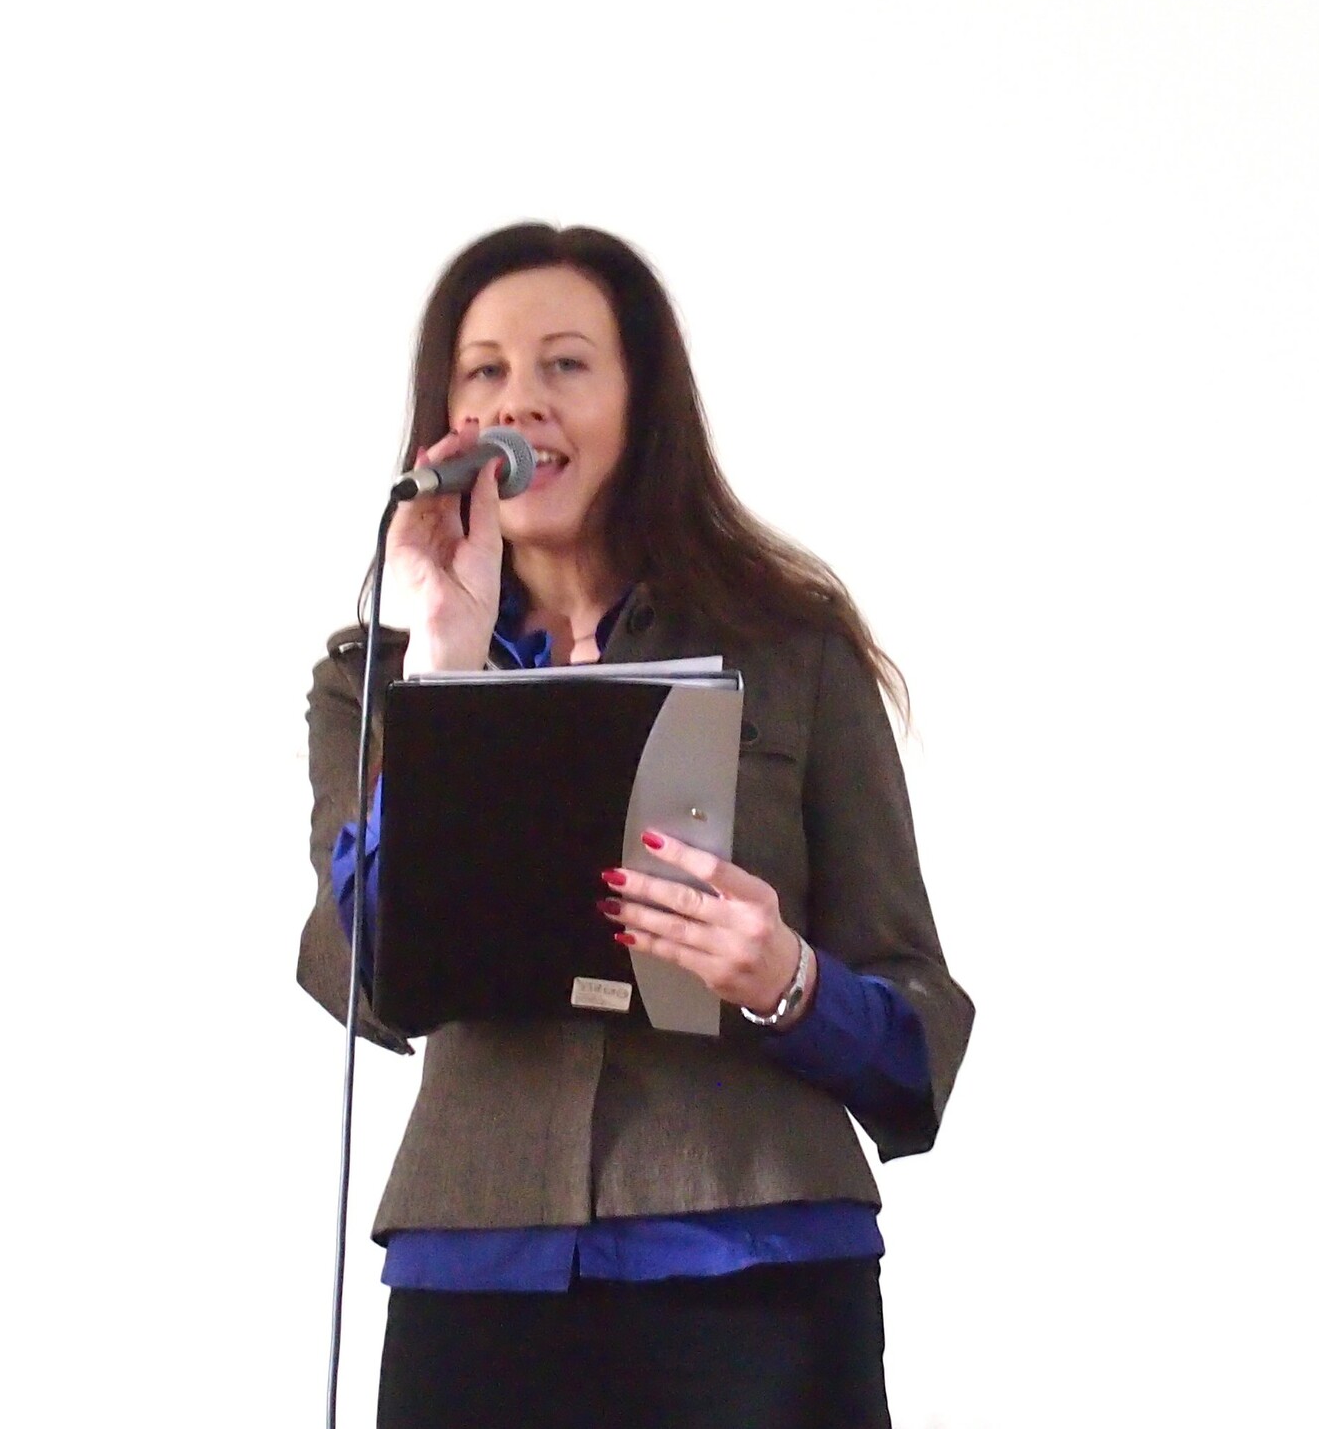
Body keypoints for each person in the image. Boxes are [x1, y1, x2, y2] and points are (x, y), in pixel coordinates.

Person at [297, 223, 973, 1429]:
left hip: (755, 1271)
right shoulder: (374, 684)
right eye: (485, 370)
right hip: (479, 1278)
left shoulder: (795, 649)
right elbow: (371, 979)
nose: (521, 401)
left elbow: (918, 1040)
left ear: (640, 400)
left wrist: (787, 980)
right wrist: (443, 660)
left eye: (565, 364)